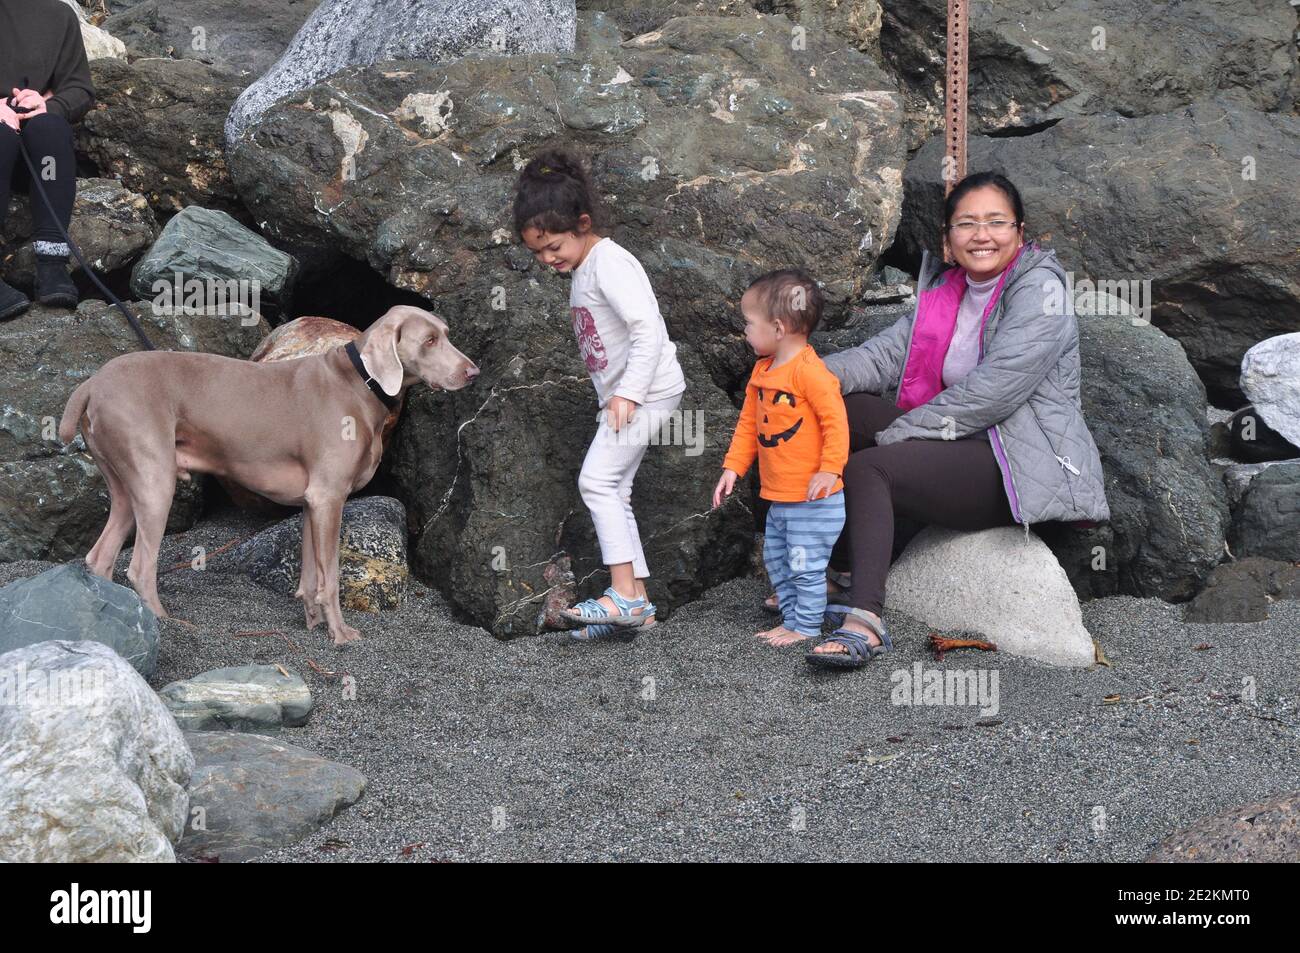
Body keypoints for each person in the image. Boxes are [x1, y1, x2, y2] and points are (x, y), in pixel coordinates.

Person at [806, 171, 1111, 668]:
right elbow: (880, 358)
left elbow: (994, 391)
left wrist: (897, 434)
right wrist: (802, 377)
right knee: (831, 409)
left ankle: (864, 620)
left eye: (996, 222)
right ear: (948, 238)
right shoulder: (949, 289)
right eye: (967, 224)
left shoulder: (1040, 289)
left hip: (1011, 462)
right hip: (955, 442)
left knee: (870, 467)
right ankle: (835, 572)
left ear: (1020, 230)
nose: (981, 235)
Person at [514, 147, 686, 641]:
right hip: (636, 394)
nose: (548, 260)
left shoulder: (610, 263)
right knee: (616, 489)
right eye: (538, 253)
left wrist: (627, 394)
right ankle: (641, 606)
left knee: (595, 483)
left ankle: (624, 596)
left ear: (583, 223)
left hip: (649, 391)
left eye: (553, 247)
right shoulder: (585, 268)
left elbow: (648, 330)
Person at [713, 269, 849, 649]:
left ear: (777, 328)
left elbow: (837, 424)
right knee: (777, 562)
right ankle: (792, 619)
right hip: (780, 498)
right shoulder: (762, 370)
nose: (744, 331)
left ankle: (804, 626)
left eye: (748, 323)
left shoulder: (812, 374)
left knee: (805, 568)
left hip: (814, 499)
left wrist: (829, 469)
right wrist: (733, 467)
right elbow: (749, 425)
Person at [0, 0, 96, 320]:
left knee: (51, 128)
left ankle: (52, 263)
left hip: (38, 160)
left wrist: (46, 104)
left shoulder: (58, 15)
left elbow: (80, 87)